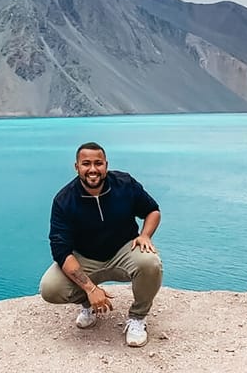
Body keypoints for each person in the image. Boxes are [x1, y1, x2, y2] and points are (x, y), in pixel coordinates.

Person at [39, 141, 162, 347]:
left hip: (124, 251)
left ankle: (138, 318)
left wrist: (145, 235)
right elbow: (61, 251)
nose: (93, 169)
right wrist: (90, 288)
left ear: (106, 164)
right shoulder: (64, 200)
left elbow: (152, 210)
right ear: (76, 167)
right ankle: (88, 305)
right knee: (50, 288)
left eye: (98, 163)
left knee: (151, 263)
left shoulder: (125, 184)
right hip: (85, 257)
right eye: (86, 164)